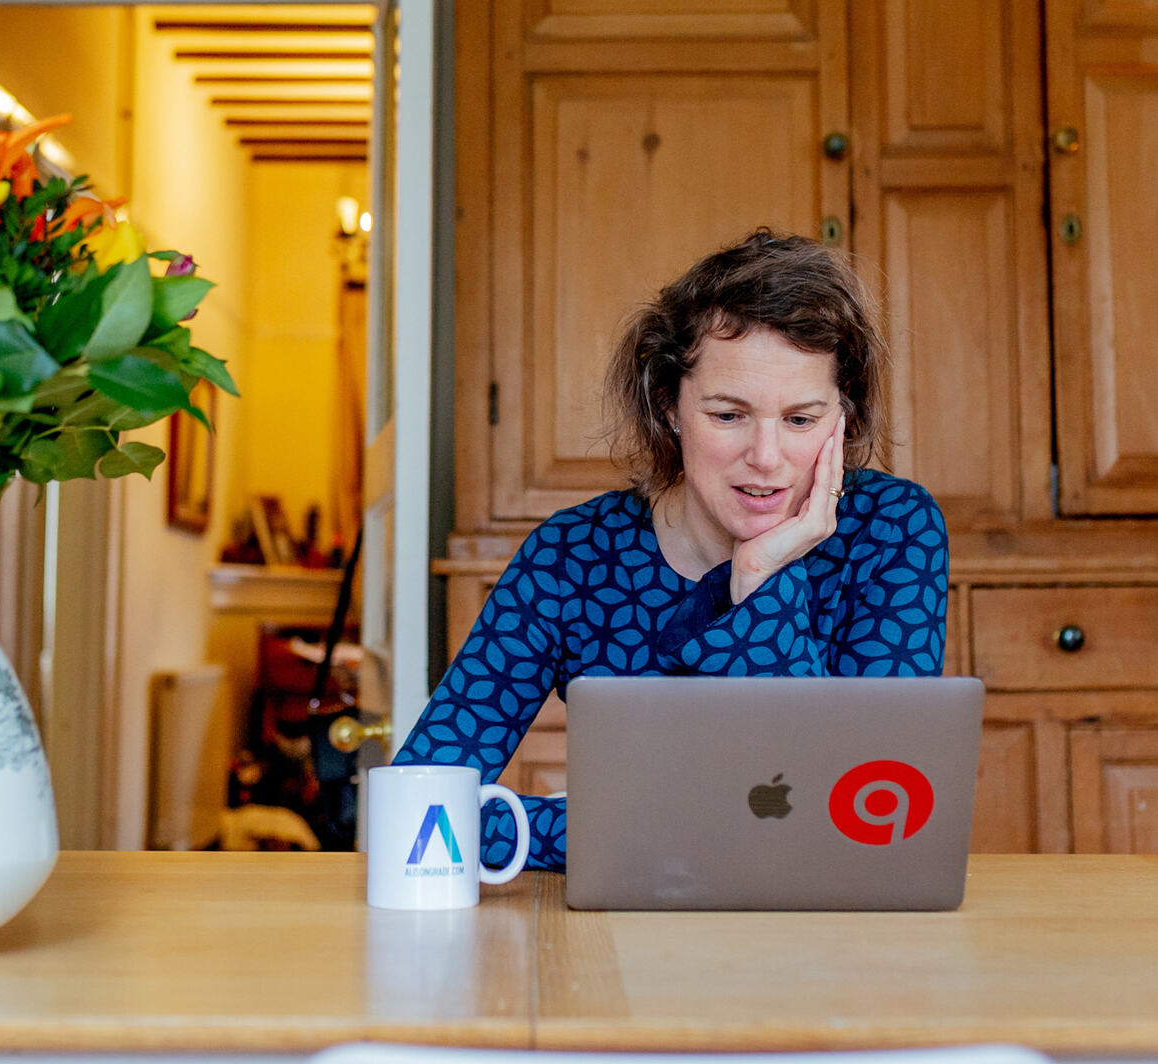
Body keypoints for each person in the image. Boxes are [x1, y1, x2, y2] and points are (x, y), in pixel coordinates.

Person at [394, 229, 948, 872]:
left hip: (826, 946)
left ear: (840, 420)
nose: (766, 459)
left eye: (800, 419)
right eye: (728, 415)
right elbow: (420, 805)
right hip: (627, 938)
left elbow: (861, 823)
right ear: (671, 407)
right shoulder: (572, 557)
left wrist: (762, 571)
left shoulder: (893, 530)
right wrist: (646, 831)